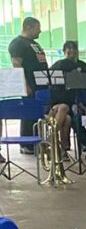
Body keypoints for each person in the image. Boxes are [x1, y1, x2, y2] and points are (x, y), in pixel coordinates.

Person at [7, 16, 48, 153]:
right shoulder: (18, 43)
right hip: (30, 85)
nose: (40, 31)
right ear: (28, 27)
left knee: (37, 114)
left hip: (41, 85)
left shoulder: (34, 44)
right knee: (28, 113)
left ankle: (36, 142)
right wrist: (24, 85)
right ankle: (26, 144)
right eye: (37, 28)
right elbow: (17, 64)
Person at [51, 41, 86, 158]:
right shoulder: (59, 64)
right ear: (64, 51)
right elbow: (51, 81)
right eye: (68, 48)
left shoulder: (83, 65)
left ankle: (59, 147)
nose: (71, 50)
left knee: (69, 120)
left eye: (73, 48)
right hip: (59, 101)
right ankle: (57, 144)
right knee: (65, 111)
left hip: (77, 102)